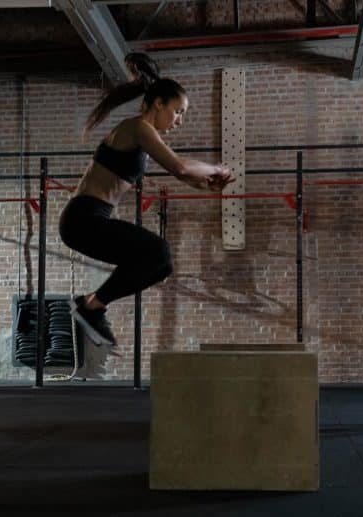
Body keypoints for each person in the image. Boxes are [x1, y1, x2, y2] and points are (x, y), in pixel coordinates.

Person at [59, 53, 234, 349]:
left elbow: (185, 175)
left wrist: (206, 183)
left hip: (91, 220)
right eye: (178, 112)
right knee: (158, 251)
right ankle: (91, 306)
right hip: (83, 219)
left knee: (161, 265)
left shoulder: (143, 136)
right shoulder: (137, 128)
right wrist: (216, 169)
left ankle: (91, 304)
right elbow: (179, 167)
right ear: (158, 104)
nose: (179, 121)